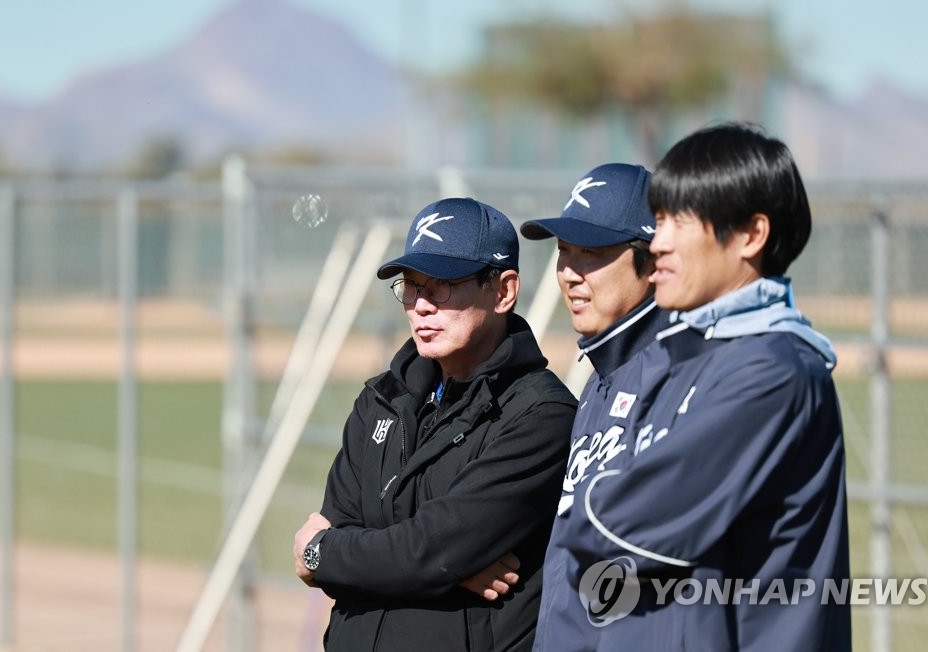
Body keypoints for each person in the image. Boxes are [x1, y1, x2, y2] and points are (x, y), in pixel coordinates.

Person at [538, 123, 851, 651]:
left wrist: (584, 513)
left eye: (679, 221)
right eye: (658, 221)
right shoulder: (678, 358)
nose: (657, 243)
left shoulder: (777, 370)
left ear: (751, 235)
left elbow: (617, 531)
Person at [293, 197, 578, 651]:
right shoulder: (381, 399)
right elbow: (417, 554)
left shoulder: (540, 415)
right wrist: (434, 567)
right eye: (411, 285)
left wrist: (324, 552)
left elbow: (427, 552)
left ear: (503, 290)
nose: (421, 305)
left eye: (442, 286)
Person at [514, 162, 673, 649]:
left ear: (650, 261)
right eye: (564, 252)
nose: (569, 274)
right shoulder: (599, 380)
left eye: (593, 254)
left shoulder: (675, 379)